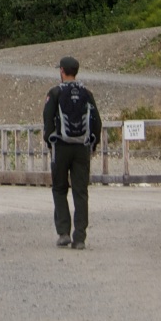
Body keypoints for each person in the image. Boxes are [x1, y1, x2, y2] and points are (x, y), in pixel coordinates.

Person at [42, 55, 100, 249]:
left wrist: (50, 142)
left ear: (61, 71)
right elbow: (97, 122)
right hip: (82, 148)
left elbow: (48, 120)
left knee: (59, 189)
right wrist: (93, 144)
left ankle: (63, 232)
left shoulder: (55, 92)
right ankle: (80, 237)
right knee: (80, 192)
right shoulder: (87, 93)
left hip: (61, 146)